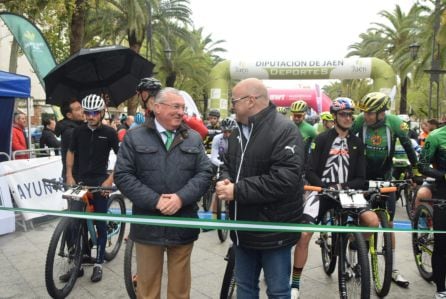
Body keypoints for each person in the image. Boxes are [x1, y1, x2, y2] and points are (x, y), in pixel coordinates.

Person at [114, 87, 212, 298]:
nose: (180, 112)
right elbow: (123, 175)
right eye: (175, 107)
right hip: (148, 225)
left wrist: (180, 198)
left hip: (183, 223)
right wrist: (156, 201)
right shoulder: (135, 137)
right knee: (147, 289)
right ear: (157, 108)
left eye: (182, 108)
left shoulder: (193, 138)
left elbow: (205, 173)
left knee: (180, 291)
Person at [215, 78, 304, 298]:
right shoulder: (236, 130)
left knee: (278, 291)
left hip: (273, 231)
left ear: (251, 101)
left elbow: (284, 179)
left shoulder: (285, 130)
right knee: (245, 289)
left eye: (234, 100)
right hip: (241, 230)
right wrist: (225, 179)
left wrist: (237, 190)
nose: (232, 105)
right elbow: (227, 163)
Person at [291, 97, 379, 298]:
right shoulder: (321, 139)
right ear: (335, 116)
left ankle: (352, 240)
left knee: (372, 221)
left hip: (348, 192)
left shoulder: (357, 143)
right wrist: (324, 187)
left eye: (350, 115)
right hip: (321, 191)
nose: (348, 118)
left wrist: (345, 187)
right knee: (304, 235)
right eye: (343, 114)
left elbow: (361, 177)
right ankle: (295, 284)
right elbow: (310, 170)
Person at [352, 91, 418, 288]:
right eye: (365, 113)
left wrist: (415, 172)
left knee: (388, 224)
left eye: (370, 113)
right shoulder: (360, 121)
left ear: (382, 113)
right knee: (362, 218)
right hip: (363, 177)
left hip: (385, 177)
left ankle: (393, 268)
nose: (366, 116)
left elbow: (408, 148)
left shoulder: (395, 123)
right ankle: (356, 259)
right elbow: (346, 139)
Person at [66, 94, 119, 282]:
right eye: (87, 112)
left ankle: (98, 263)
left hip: (99, 182)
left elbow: (121, 157)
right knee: (76, 223)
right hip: (80, 181)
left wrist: (109, 180)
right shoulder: (78, 132)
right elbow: (71, 152)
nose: (91, 116)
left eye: (95, 112)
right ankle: (78, 263)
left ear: (102, 112)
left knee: (100, 224)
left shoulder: (110, 132)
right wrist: (69, 175)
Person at [417, 123, 446, 299]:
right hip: (443, 191)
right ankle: (441, 288)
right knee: (442, 243)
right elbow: (422, 165)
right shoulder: (436, 136)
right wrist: (442, 175)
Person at [55, 98, 85, 181]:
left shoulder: (79, 127)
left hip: (81, 175)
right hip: (74, 178)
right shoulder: (70, 132)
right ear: (69, 115)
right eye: (78, 109)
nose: (83, 111)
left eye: (81, 107)